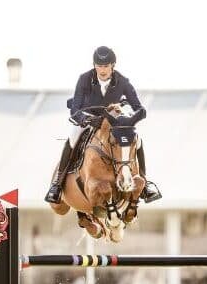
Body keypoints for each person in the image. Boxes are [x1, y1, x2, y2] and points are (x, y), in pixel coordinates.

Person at [44, 46, 162, 204]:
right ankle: (57, 184)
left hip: (114, 121)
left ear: (113, 65)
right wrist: (86, 119)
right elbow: (74, 110)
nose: (102, 70)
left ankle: (145, 183)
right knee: (72, 139)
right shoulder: (84, 79)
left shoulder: (123, 81)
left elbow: (139, 108)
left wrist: (129, 118)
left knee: (137, 139)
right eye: (99, 66)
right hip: (89, 120)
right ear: (94, 65)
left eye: (106, 66)